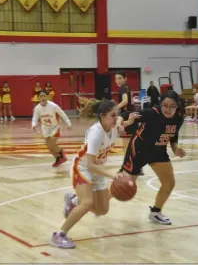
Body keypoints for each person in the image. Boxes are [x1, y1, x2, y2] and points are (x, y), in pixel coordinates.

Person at [50, 100, 138, 249]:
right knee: (88, 203)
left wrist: (128, 122)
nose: (116, 118)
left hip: (98, 170)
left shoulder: (112, 127)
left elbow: (120, 128)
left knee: (102, 210)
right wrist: (113, 175)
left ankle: (74, 200)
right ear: (102, 116)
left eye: (116, 115)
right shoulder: (95, 133)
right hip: (83, 168)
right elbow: (90, 164)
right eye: (112, 115)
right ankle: (59, 234)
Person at [121, 90, 186, 225]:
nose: (168, 109)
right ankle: (81, 201)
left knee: (169, 183)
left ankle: (156, 212)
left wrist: (175, 149)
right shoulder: (151, 113)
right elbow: (125, 114)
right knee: (123, 186)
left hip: (158, 151)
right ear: (160, 104)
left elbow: (173, 135)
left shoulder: (179, 118)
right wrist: (122, 122)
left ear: (177, 106)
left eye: (172, 106)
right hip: (139, 150)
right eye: (165, 105)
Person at [32, 90, 71, 167]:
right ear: (38, 98)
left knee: (52, 143)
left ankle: (61, 153)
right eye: (41, 96)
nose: (43, 98)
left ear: (47, 97)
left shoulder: (53, 106)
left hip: (55, 127)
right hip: (45, 128)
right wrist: (34, 124)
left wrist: (68, 123)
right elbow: (35, 117)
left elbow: (62, 114)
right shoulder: (37, 108)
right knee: (49, 146)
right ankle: (58, 158)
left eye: (44, 96)